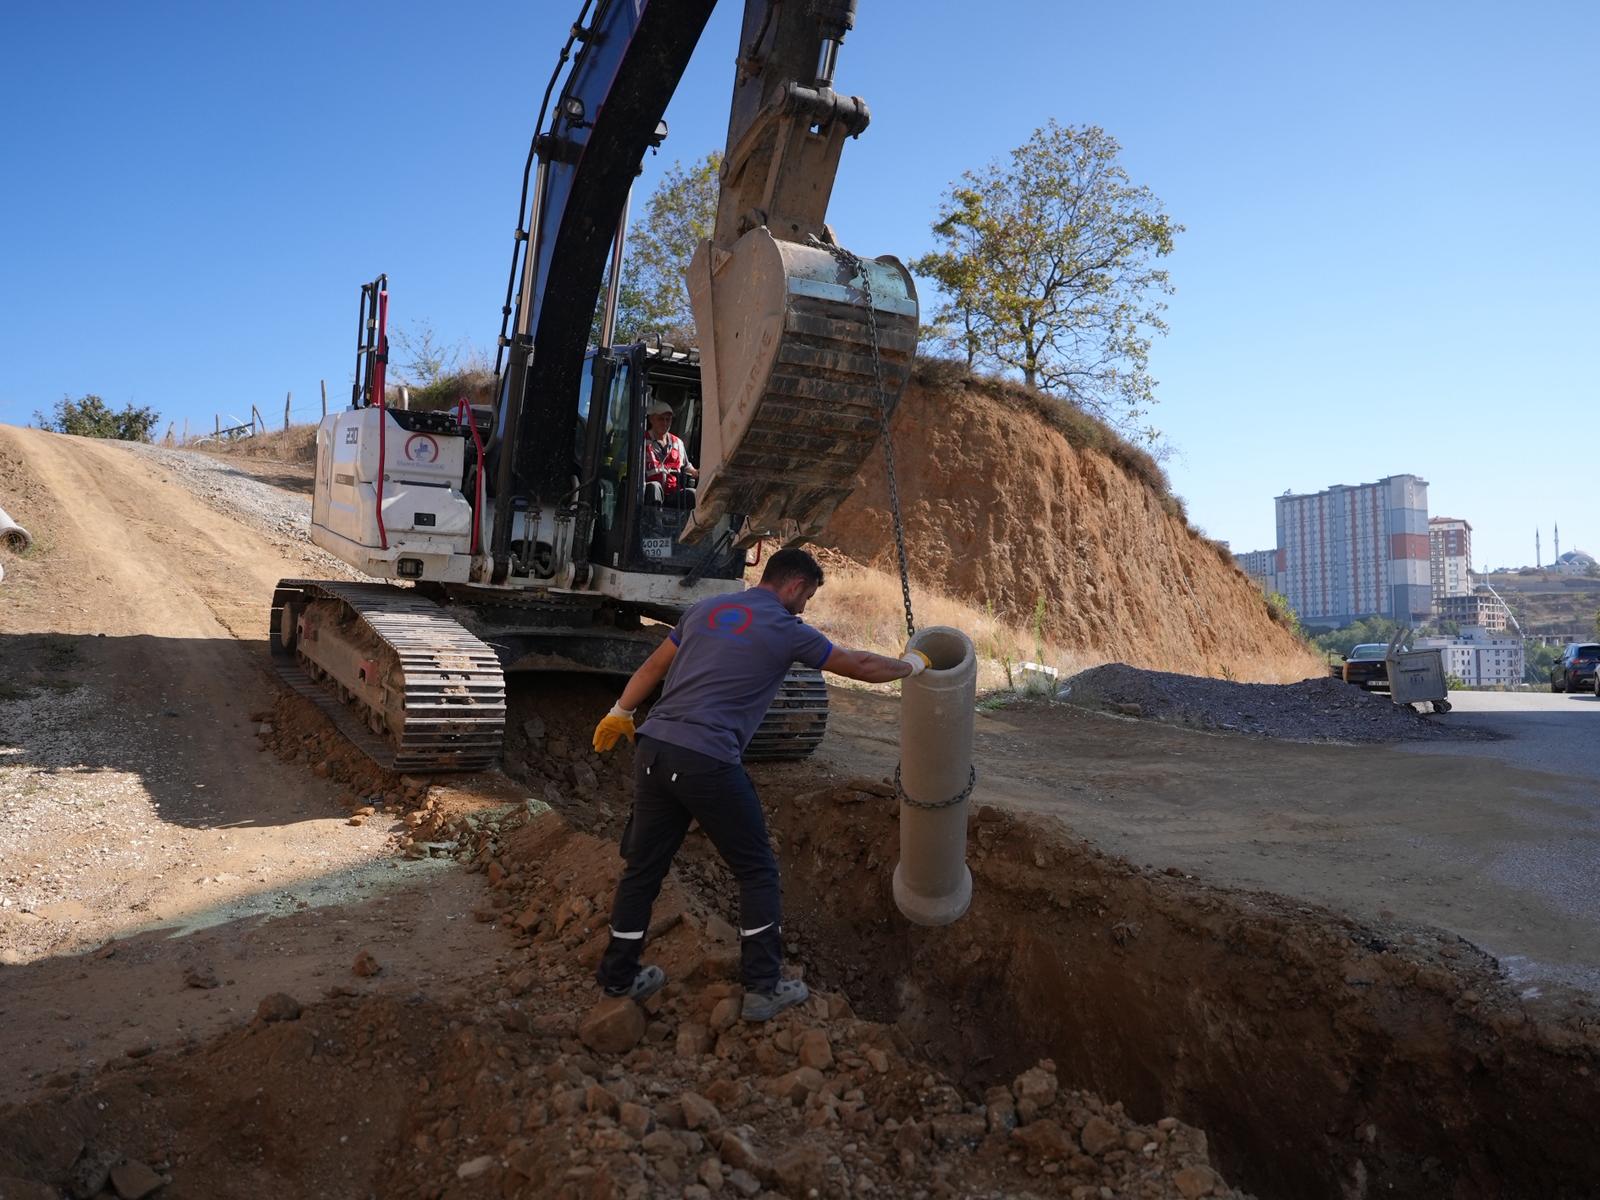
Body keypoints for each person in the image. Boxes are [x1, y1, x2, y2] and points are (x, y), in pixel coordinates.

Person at [591, 547, 930, 1020]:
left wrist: (620, 712)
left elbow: (652, 669)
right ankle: (763, 987)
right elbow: (860, 667)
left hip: (653, 749)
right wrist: (913, 666)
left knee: (643, 869)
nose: (806, 607)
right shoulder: (786, 629)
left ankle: (618, 977)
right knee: (757, 871)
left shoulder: (703, 610)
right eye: (807, 596)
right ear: (793, 586)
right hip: (706, 759)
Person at [643, 397, 696, 501]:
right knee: (654, 487)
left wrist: (700, 472)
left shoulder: (678, 443)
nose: (665, 423)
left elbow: (688, 468)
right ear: (651, 419)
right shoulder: (642, 440)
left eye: (668, 419)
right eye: (661, 419)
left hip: (672, 494)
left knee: (692, 494)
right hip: (647, 495)